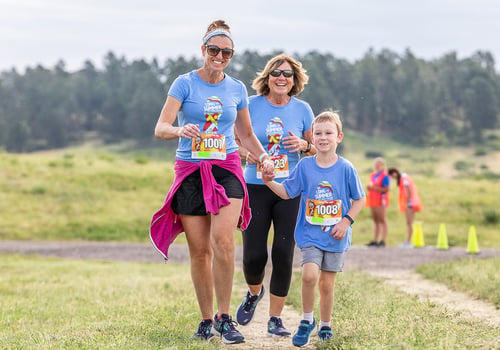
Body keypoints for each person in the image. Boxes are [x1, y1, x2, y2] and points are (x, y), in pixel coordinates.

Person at [149, 19, 274, 345]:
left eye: (227, 52)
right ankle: (206, 321)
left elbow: (245, 133)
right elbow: (160, 127)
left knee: (224, 241)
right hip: (190, 170)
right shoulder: (184, 84)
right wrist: (179, 130)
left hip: (227, 168)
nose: (220, 56)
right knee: (200, 251)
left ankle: (224, 317)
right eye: (214, 50)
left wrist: (263, 157)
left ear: (232, 56)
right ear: (203, 50)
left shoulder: (236, 89)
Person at [262, 111, 365, 347]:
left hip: (336, 237)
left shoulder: (347, 168)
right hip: (309, 235)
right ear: (312, 137)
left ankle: (325, 324)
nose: (322, 137)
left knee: (326, 285)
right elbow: (288, 192)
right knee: (309, 276)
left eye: (328, 133)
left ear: (339, 137)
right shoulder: (305, 166)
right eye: (318, 133)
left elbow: (360, 199)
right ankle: (307, 320)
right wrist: (269, 181)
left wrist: (346, 221)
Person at [234, 54, 315, 337]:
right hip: (255, 186)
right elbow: (234, 142)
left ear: (295, 81)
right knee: (254, 255)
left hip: (290, 188)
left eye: (288, 74)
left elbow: (318, 149)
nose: (282, 78)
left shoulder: (303, 109)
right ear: (267, 78)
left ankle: (275, 318)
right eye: (276, 73)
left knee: (283, 253)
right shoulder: (250, 105)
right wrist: (250, 156)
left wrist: (305, 144)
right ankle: (254, 292)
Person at [388, 167, 423, 247]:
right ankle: (408, 241)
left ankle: (408, 241)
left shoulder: (404, 179)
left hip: (410, 204)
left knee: (409, 223)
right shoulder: (405, 177)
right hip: (411, 203)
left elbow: (408, 191)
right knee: (409, 223)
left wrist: (407, 203)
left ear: (394, 173)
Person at [365, 157, 390, 247]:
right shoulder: (372, 175)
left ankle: (383, 240)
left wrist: (374, 188)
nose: (377, 167)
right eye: (375, 165)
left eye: (378, 165)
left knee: (382, 219)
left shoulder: (385, 176)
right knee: (375, 220)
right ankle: (375, 240)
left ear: (383, 166)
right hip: (372, 199)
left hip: (380, 200)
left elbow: (386, 188)